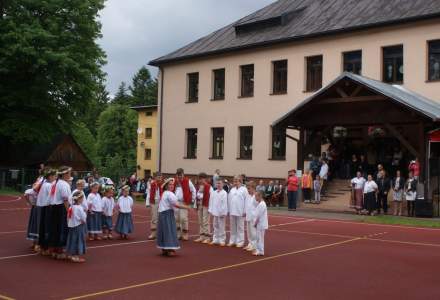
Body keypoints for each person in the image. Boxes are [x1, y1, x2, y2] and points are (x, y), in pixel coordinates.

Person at [157, 178, 190, 256]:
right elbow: (176, 204)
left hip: (163, 214)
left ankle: (164, 248)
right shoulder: (169, 194)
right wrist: (187, 207)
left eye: (172, 184)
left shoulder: (165, 193)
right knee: (169, 231)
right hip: (167, 214)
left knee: (164, 231)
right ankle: (169, 249)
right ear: (166, 186)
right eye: (170, 184)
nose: (172, 186)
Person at [49, 166, 72, 259]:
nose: (70, 175)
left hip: (54, 207)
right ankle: (59, 251)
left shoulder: (54, 183)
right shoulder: (64, 184)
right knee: (62, 228)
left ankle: (54, 250)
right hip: (61, 208)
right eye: (69, 173)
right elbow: (65, 199)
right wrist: (69, 211)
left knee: (55, 228)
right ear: (65, 174)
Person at [37, 169, 56, 256]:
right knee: (48, 227)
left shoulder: (44, 184)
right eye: (54, 176)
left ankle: (41, 246)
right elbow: (52, 197)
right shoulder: (49, 185)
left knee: (43, 227)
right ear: (50, 176)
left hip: (43, 207)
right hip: (49, 207)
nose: (56, 177)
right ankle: (46, 247)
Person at [172, 168, 196, 241]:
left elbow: (193, 190)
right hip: (176, 202)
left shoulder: (187, 181)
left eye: (181, 175)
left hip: (184, 202)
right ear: (177, 175)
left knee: (183, 218)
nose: (180, 177)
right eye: (178, 175)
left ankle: (185, 234)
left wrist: (192, 200)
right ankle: (178, 234)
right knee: (176, 219)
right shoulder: (175, 182)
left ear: (183, 174)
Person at [65, 191, 87, 263]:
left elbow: (68, 217)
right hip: (78, 226)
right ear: (79, 199)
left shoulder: (71, 207)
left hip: (72, 226)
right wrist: (83, 219)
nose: (82, 200)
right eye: (82, 198)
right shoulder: (79, 208)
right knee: (78, 240)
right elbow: (82, 217)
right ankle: (75, 256)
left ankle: (70, 254)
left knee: (72, 239)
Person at [227, 176, 248, 248]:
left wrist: (245, 211)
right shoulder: (232, 190)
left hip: (240, 211)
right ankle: (232, 241)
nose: (235, 183)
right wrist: (228, 210)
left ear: (240, 182)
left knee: (240, 227)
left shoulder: (244, 190)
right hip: (232, 211)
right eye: (234, 181)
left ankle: (240, 241)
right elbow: (229, 200)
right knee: (232, 227)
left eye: (237, 181)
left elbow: (246, 201)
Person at [208, 179, 228, 246]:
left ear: (222, 184)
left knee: (221, 226)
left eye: (220, 183)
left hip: (221, 213)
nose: (218, 185)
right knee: (215, 226)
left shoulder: (224, 193)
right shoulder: (214, 192)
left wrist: (223, 212)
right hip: (215, 212)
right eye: (217, 183)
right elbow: (211, 201)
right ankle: (215, 239)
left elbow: (224, 204)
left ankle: (222, 240)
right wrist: (211, 210)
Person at [194, 173, 213, 243]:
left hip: (206, 205)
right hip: (200, 204)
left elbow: (211, 197)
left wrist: (210, 207)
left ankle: (207, 237)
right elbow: (197, 195)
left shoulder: (209, 186)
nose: (200, 180)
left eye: (201, 179)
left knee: (205, 221)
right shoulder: (199, 187)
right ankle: (201, 236)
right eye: (199, 179)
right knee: (200, 221)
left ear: (204, 179)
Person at [146, 172, 163, 240]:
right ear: (155, 177)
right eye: (159, 177)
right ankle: (153, 233)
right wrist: (148, 203)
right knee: (154, 218)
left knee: (161, 218)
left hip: (161, 202)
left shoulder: (162, 184)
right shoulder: (152, 184)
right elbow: (148, 193)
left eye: (161, 177)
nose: (160, 178)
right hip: (154, 202)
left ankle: (160, 233)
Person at [253, 191, 268, 256]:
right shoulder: (260, 204)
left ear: (260, 196)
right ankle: (260, 250)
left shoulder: (262, 204)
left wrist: (255, 223)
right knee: (258, 237)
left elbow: (259, 215)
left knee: (259, 238)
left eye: (256, 196)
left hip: (261, 224)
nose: (255, 197)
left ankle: (260, 251)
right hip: (260, 223)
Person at [24, 187, 39, 251]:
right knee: (37, 224)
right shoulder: (40, 190)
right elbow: (26, 194)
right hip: (39, 207)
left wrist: (29, 202)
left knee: (34, 223)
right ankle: (37, 244)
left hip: (35, 207)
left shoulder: (35, 190)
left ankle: (34, 243)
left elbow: (26, 194)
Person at [244, 181, 257, 252]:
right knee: (248, 231)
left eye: (249, 189)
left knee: (253, 232)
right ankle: (250, 243)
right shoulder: (248, 196)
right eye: (247, 189)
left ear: (253, 188)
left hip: (254, 217)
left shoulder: (256, 196)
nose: (248, 190)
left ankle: (254, 245)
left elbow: (258, 207)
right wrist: (245, 212)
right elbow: (246, 205)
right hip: (248, 215)